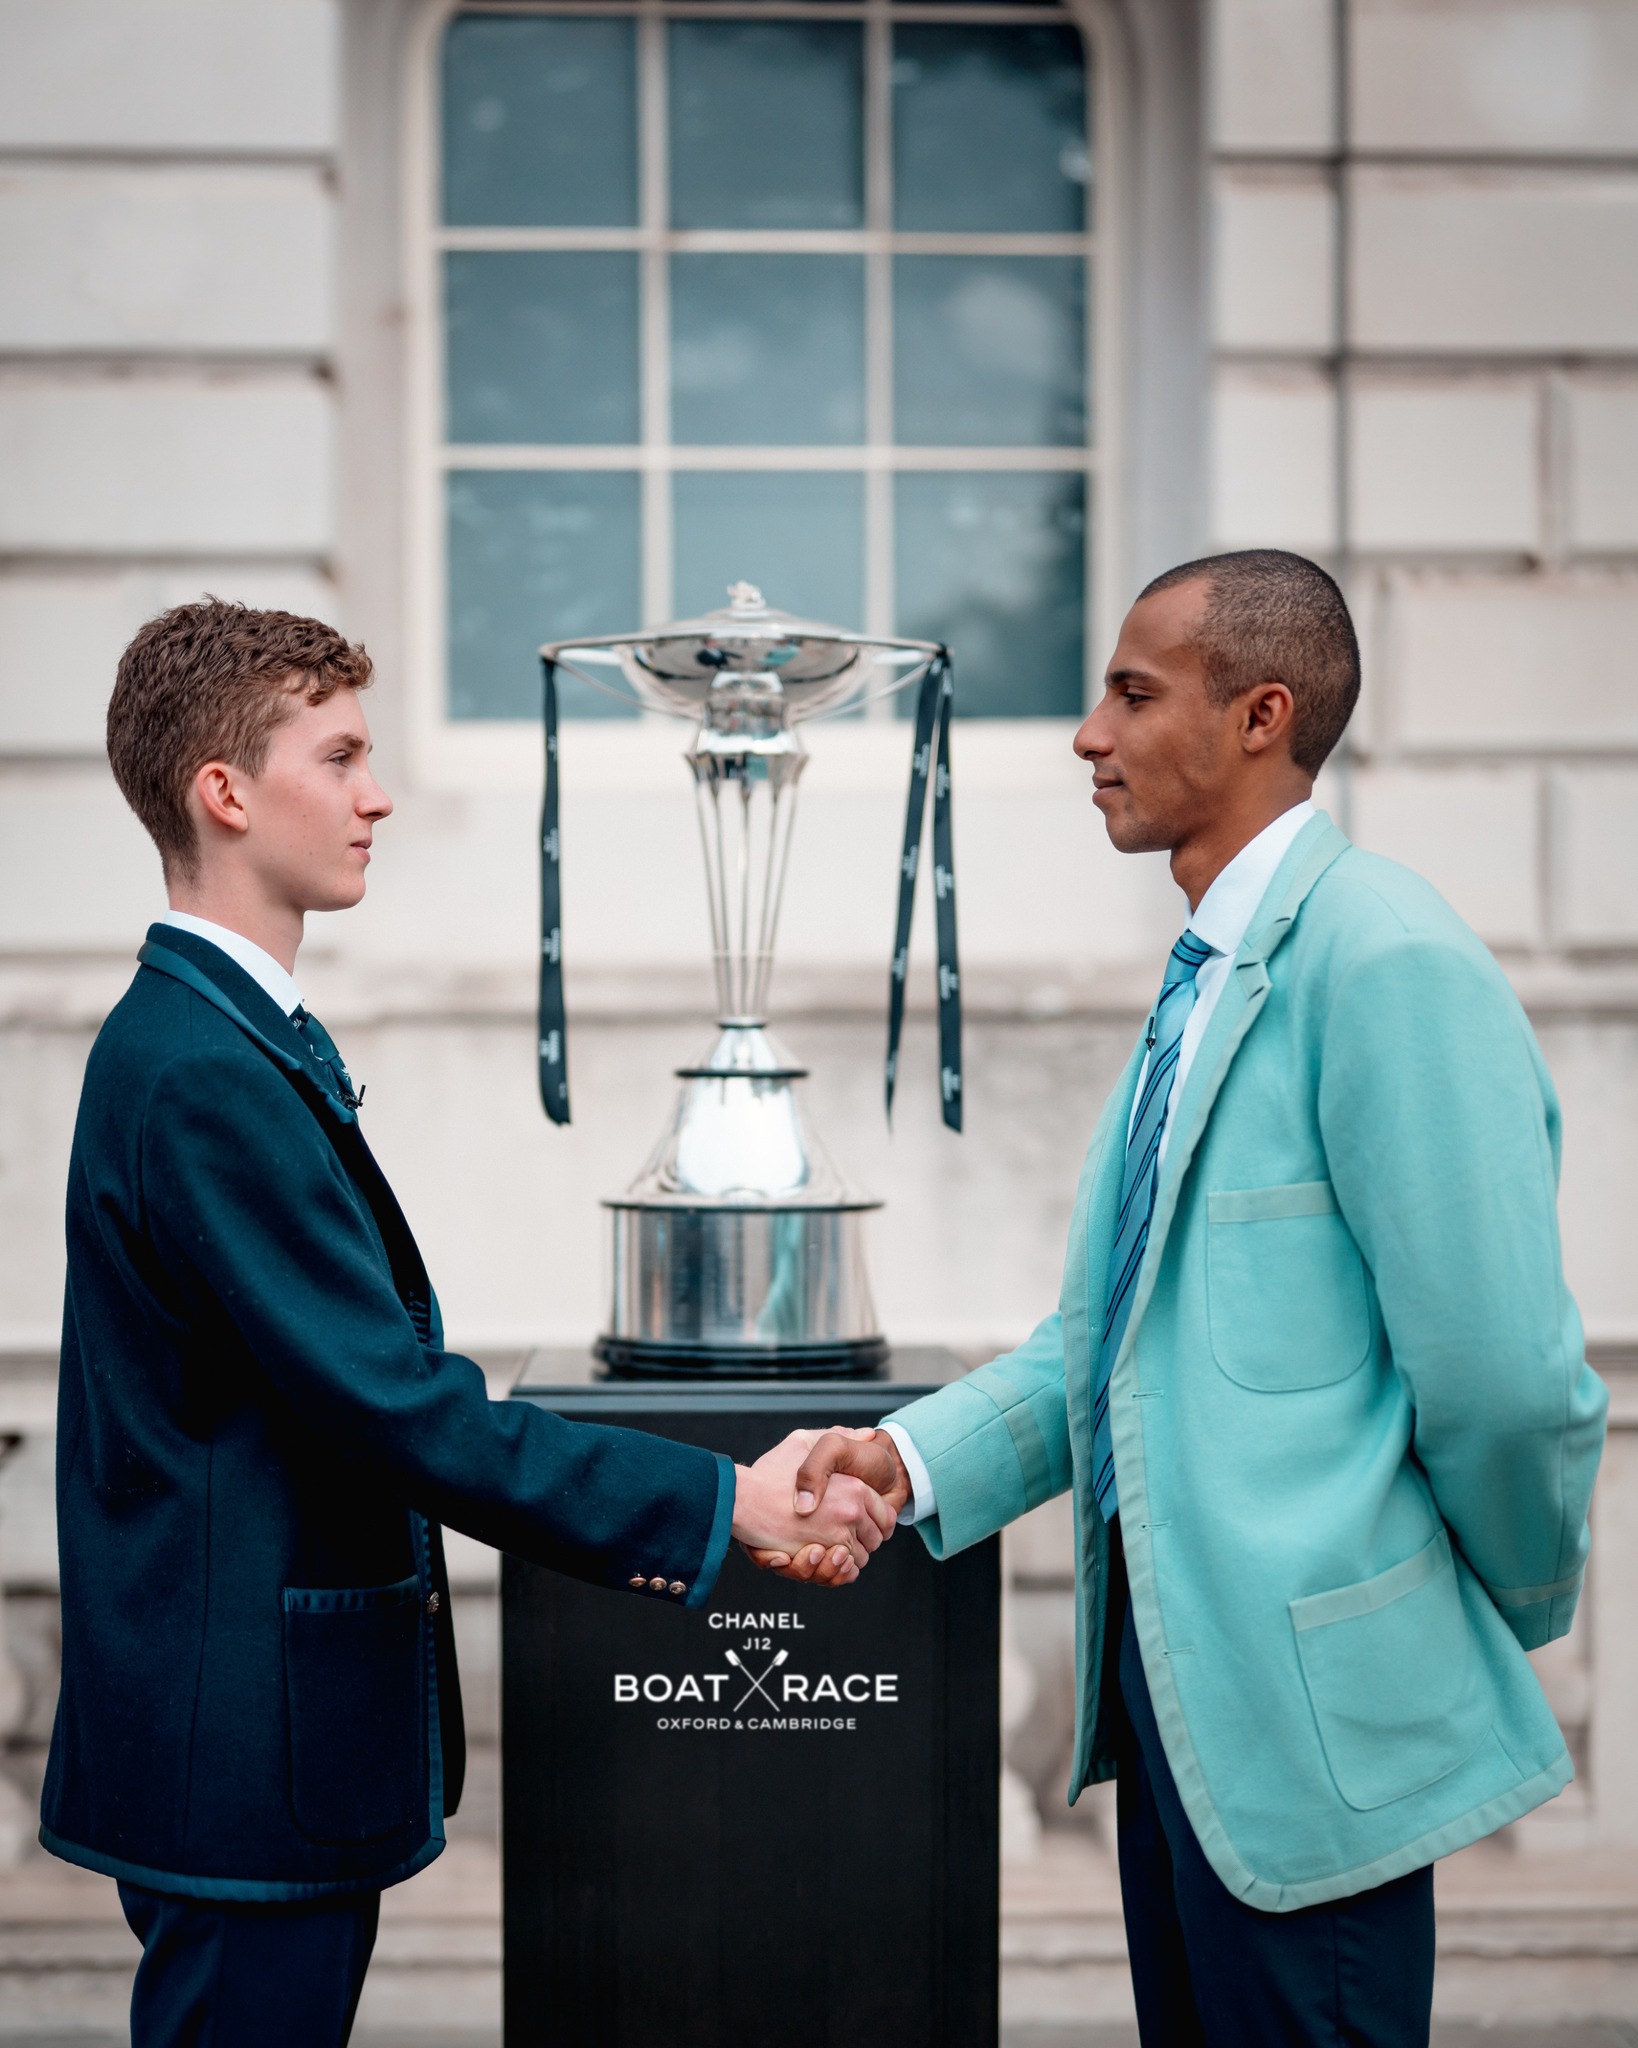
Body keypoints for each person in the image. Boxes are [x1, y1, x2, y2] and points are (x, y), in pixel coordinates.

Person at [765, 550, 1609, 2046]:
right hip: (1174, 1706)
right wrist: (905, 1459)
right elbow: (1116, 1344)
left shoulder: (1388, 957)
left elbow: (1503, 1377)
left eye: (1133, 695)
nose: (1088, 734)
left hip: (1315, 1724)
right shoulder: (1205, 974)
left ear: (1259, 716)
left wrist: (1489, 1604)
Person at [44, 600, 890, 2048]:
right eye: (339, 758)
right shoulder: (201, 1069)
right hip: (240, 1745)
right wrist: (721, 1502)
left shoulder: (221, 1036)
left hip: (246, 1738)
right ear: (225, 792)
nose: (376, 796)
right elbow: (394, 1406)